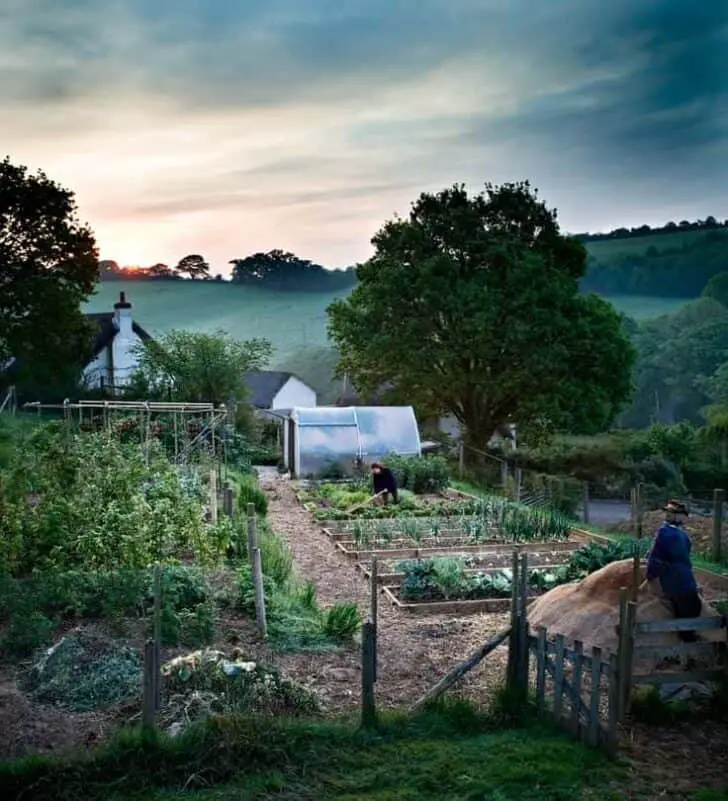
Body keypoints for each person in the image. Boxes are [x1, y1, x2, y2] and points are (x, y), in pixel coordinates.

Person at [645, 499, 701, 642]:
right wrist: (651, 573)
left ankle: (685, 642)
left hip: (676, 580)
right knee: (689, 610)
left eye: (672, 512)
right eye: (668, 512)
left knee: (685, 611)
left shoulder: (669, 532)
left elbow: (654, 556)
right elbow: (655, 557)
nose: (668, 515)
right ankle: (686, 644)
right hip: (681, 580)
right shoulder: (676, 534)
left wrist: (650, 574)